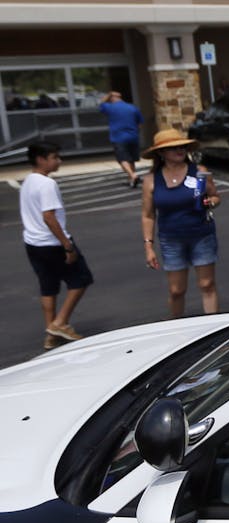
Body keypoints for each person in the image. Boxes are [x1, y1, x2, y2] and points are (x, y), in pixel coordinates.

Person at [141, 128, 221, 317]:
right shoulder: (151, 180)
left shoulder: (199, 172)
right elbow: (148, 215)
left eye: (182, 147)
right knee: (176, 290)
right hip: (171, 239)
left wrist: (211, 202)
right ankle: (175, 326)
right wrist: (148, 246)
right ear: (161, 153)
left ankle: (213, 326)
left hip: (202, 234)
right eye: (173, 148)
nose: (179, 151)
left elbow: (216, 196)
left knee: (207, 284)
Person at [20, 141, 91, 349]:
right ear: (41, 159)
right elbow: (49, 217)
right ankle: (60, 323)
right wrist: (67, 245)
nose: (59, 161)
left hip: (33, 242)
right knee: (81, 279)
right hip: (52, 243)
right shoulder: (47, 184)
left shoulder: (28, 181)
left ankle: (50, 334)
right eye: (54, 157)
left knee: (48, 286)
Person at [98, 90, 142, 188]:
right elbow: (139, 123)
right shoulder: (132, 107)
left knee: (122, 159)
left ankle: (133, 175)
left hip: (118, 137)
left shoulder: (110, 107)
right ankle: (131, 178)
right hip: (133, 136)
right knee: (131, 159)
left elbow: (101, 104)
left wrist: (108, 95)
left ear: (112, 98)